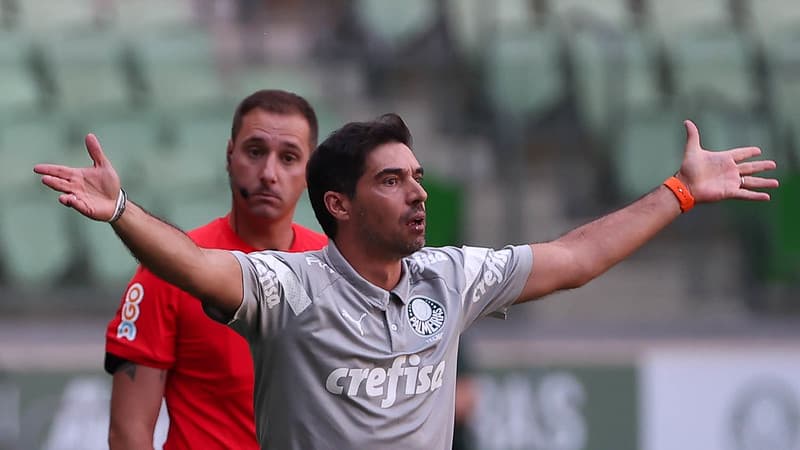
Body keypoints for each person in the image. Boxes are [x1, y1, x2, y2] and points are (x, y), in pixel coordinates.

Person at [35, 113, 778, 449]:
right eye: (393, 181)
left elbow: (575, 258)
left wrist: (678, 193)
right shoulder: (292, 289)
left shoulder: (449, 277)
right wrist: (123, 212)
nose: (419, 193)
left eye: (418, 177)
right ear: (340, 205)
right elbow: (194, 266)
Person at [102, 90, 328, 449]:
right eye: (255, 152)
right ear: (229, 155)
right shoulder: (169, 268)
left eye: (288, 157)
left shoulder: (334, 268)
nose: (269, 173)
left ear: (310, 171)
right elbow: (128, 433)